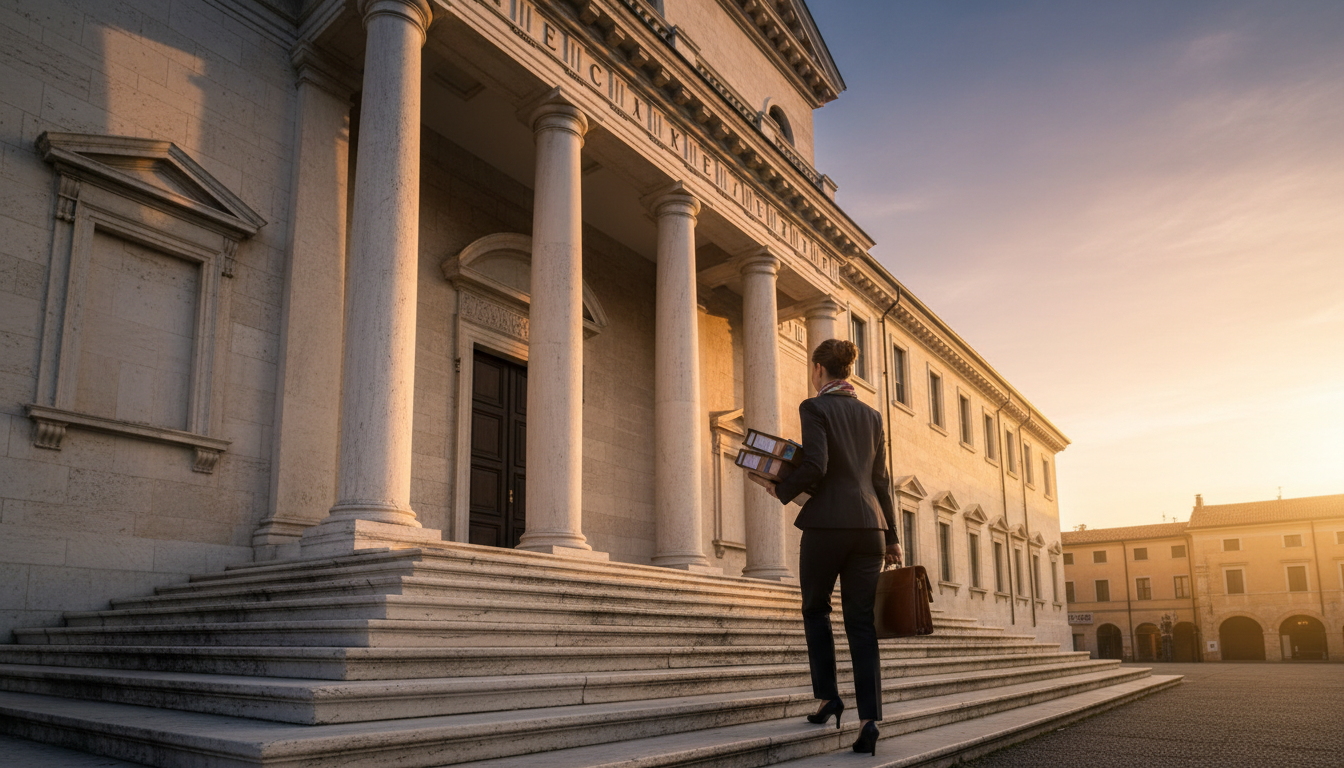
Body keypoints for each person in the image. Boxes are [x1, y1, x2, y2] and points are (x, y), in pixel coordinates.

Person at [766, 338, 900, 756]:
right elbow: (881, 481)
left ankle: (829, 697)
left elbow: (816, 465)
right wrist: (893, 537)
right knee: (862, 625)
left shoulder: (814, 407)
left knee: (816, 610)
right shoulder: (873, 416)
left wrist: (779, 487)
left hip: (827, 525)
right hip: (871, 529)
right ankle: (868, 721)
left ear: (818, 369)